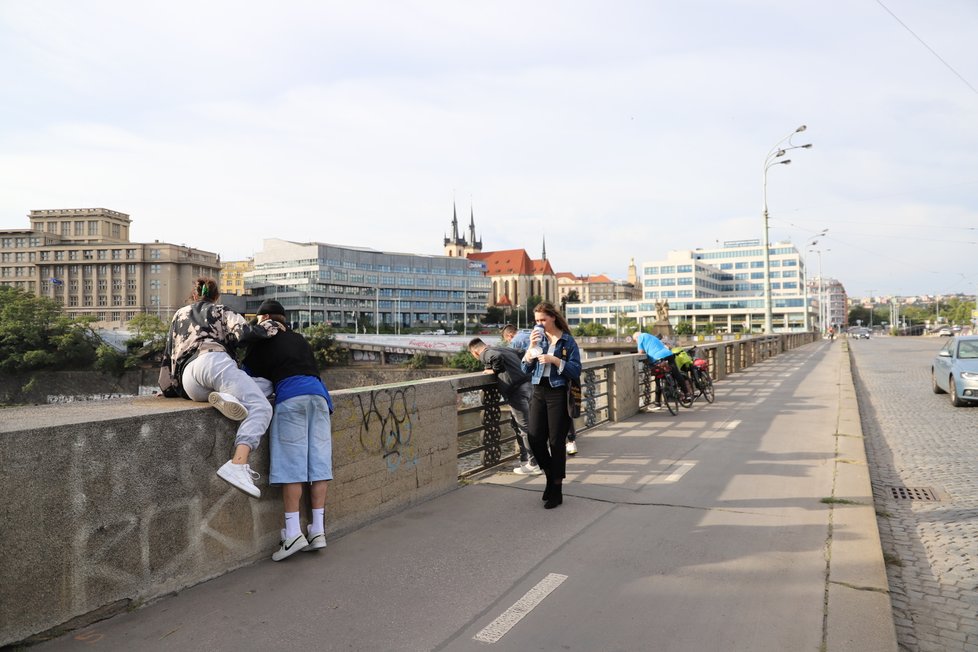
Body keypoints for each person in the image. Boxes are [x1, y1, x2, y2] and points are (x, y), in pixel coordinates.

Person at [160, 277, 279, 498]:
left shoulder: (179, 314)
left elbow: (168, 356)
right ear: (216, 297)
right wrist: (269, 326)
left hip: (190, 383)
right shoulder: (221, 310)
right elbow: (244, 334)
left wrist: (167, 391)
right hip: (213, 361)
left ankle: (225, 395)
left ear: (194, 296)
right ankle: (238, 463)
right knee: (262, 408)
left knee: (262, 385)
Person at [242, 299, 334, 562]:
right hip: (319, 398)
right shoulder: (300, 339)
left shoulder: (262, 341)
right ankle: (317, 530)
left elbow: (245, 379)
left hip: (292, 399)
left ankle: (292, 533)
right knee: (318, 463)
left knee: (291, 466)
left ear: (266, 319)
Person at [521, 302, 582, 509]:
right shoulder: (538, 340)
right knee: (535, 438)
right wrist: (530, 349)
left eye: (543, 320)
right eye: (536, 320)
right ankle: (550, 476)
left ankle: (557, 489)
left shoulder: (567, 341)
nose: (539, 324)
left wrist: (555, 361)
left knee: (556, 442)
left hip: (558, 393)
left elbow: (575, 371)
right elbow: (524, 369)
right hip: (539, 391)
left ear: (553, 318)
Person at [468, 337, 540, 475]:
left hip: (516, 390)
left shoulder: (486, 353)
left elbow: (497, 357)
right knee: (527, 425)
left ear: (475, 352)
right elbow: (522, 352)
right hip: (529, 384)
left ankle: (534, 464)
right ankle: (532, 460)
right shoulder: (502, 348)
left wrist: (493, 370)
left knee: (524, 428)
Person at [503, 323, 578, 456]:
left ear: (509, 335)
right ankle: (570, 441)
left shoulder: (516, 341)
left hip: (535, 380)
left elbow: (520, 365)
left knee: (540, 417)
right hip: (553, 379)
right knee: (564, 411)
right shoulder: (534, 335)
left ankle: (540, 452)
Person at [634, 331, 691, 405]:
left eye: (635, 340)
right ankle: (686, 393)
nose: (635, 342)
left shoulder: (641, 337)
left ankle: (657, 402)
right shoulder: (652, 337)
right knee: (676, 373)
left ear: (636, 337)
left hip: (657, 358)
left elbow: (641, 351)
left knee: (658, 377)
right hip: (668, 354)